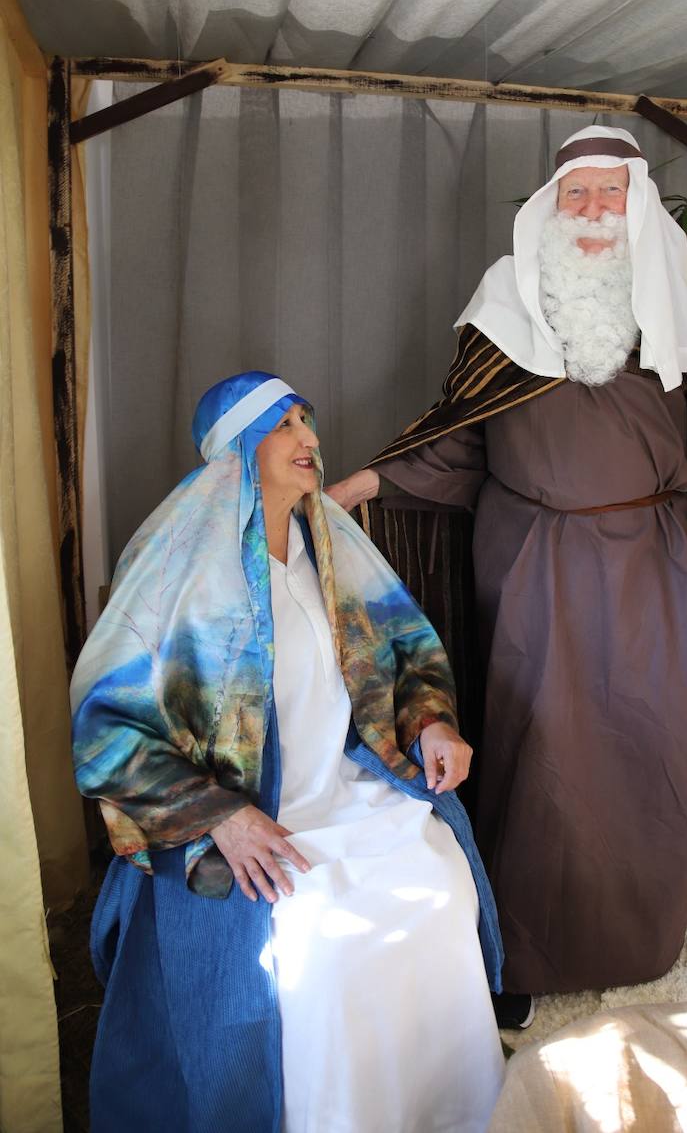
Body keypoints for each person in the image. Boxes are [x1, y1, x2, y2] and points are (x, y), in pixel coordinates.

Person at [327, 125, 687, 1018]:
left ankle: (641, 935)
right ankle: (519, 952)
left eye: (611, 192)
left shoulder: (681, 317)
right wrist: (355, 486)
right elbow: (453, 441)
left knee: (657, 746)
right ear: (549, 210)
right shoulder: (502, 310)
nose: (594, 210)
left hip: (656, 570)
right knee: (541, 757)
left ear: (636, 203)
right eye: (576, 194)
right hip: (534, 568)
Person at [71, 372, 505, 1133]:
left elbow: (406, 656)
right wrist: (222, 817)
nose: (309, 439)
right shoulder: (180, 573)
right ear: (238, 450)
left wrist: (431, 723)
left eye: (308, 420)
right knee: (317, 938)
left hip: (344, 790)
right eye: (284, 426)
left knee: (437, 882)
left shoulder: (327, 545)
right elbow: (106, 730)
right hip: (245, 810)